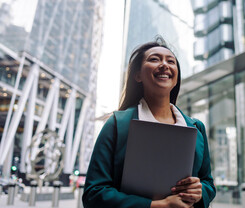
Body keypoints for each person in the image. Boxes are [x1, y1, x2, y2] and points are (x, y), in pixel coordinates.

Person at [82, 37, 216, 208]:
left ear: (176, 78)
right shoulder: (117, 124)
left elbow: (208, 183)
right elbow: (94, 193)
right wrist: (158, 205)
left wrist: (199, 191)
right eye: (154, 59)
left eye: (171, 61)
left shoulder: (196, 128)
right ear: (137, 75)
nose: (164, 65)